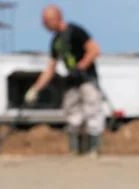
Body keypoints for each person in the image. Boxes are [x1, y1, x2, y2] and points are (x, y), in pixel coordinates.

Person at [24, 6, 105, 156]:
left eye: (45, 21)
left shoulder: (76, 31)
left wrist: (80, 67)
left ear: (56, 18)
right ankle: (75, 149)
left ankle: (93, 149)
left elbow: (94, 50)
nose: (43, 25)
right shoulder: (56, 41)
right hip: (72, 81)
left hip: (87, 78)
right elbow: (50, 69)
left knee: (92, 111)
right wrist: (35, 89)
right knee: (72, 112)